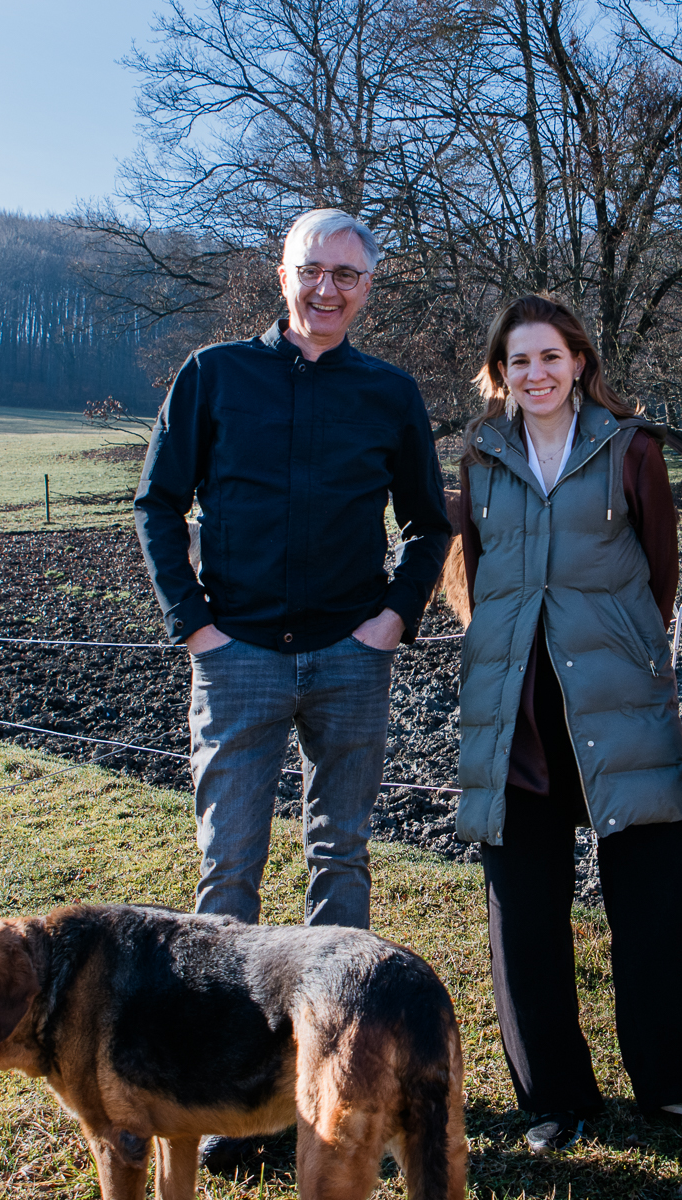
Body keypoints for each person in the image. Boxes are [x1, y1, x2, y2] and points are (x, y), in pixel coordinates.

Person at [455, 294, 682, 1155]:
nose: (536, 374)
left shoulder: (631, 448)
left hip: (617, 702)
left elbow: (662, 574)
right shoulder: (480, 458)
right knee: (522, 911)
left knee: (656, 895)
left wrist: (628, 657)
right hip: (514, 715)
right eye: (519, 361)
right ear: (501, 372)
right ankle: (555, 1098)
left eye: (551, 357)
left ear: (579, 362)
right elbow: (481, 572)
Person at [134, 210, 450, 927]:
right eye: (311, 270)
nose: (326, 289)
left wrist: (393, 620)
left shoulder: (390, 393)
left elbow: (429, 522)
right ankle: (226, 1038)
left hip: (351, 657)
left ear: (368, 287)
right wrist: (193, 626)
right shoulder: (213, 375)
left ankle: (337, 1034)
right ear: (283, 277)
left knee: (342, 855)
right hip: (235, 653)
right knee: (228, 866)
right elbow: (156, 503)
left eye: (345, 274)